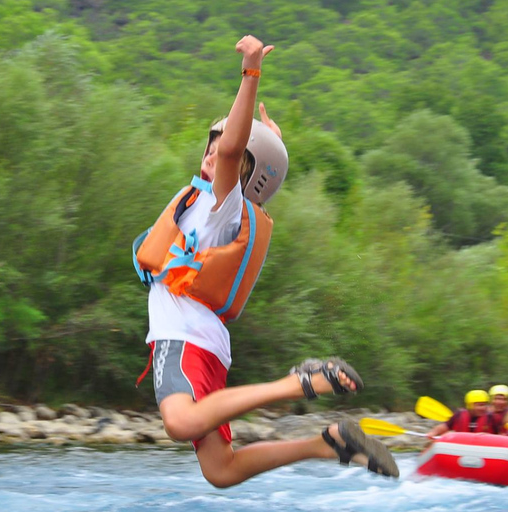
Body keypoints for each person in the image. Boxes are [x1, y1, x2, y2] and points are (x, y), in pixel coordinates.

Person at [132, 35, 398, 488]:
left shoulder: (222, 206)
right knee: (221, 470)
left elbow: (235, 152)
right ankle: (328, 443)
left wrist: (250, 73)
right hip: (202, 346)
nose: (215, 152)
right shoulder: (208, 205)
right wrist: (268, 145)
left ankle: (299, 383)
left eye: (226, 150)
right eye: (210, 146)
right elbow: (240, 153)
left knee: (179, 422)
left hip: (182, 340)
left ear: (244, 175)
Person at [427, 390, 498, 438]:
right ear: (470, 405)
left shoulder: (490, 417)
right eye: (480, 405)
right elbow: (444, 426)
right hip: (461, 448)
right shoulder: (459, 415)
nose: (484, 408)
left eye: (485, 405)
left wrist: (489, 437)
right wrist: (433, 433)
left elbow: (500, 435)